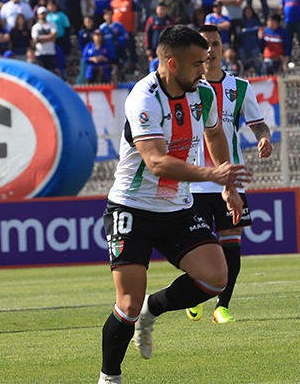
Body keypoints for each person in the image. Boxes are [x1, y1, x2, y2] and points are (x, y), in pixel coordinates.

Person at [95, 25, 250, 384]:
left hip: (177, 207)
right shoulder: (143, 97)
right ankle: (109, 378)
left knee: (215, 277)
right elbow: (156, 162)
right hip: (131, 207)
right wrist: (212, 175)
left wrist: (227, 183)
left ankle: (155, 308)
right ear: (172, 63)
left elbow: (213, 133)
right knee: (127, 304)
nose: (204, 70)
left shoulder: (205, 94)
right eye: (197, 64)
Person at [183, 26, 273, 325]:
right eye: (204, 44)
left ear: (223, 49)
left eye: (215, 44)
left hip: (229, 179)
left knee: (232, 244)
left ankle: (222, 306)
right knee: (193, 249)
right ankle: (193, 294)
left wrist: (263, 137)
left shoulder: (240, 87)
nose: (210, 50)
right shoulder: (184, 86)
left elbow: (258, 123)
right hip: (194, 181)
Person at [30, 6, 58, 72]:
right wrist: (49, 38)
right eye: (41, 14)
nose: (43, 15)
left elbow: (54, 36)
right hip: (40, 53)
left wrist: (41, 38)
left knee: (51, 71)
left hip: (51, 52)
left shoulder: (52, 24)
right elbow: (36, 40)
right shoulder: (35, 27)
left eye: (44, 13)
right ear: (38, 15)